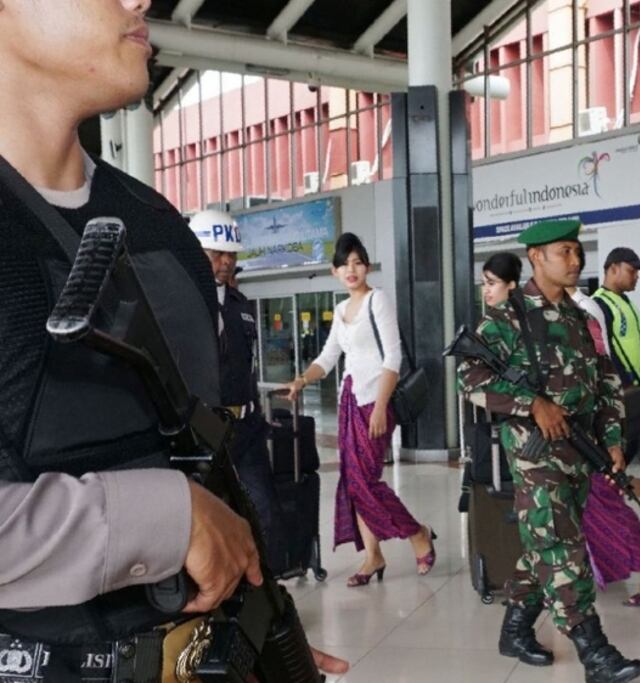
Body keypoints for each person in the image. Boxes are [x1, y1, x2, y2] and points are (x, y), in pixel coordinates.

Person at [0, 0, 345, 677]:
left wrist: (257, 637)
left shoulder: (159, 227)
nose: (142, 1)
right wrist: (166, 518)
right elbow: (183, 505)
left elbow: (198, 458)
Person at [457, 220, 640, 682]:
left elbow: (605, 382)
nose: (576, 260)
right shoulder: (506, 316)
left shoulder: (583, 319)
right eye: (565, 251)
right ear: (537, 257)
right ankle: (595, 651)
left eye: (578, 251)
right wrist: (533, 403)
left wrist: (615, 441)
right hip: (535, 451)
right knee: (561, 545)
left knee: (542, 540)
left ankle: (516, 627)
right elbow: (470, 377)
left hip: (580, 448)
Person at [483, 246, 640, 608]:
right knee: (576, 515)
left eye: (492, 284)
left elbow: (605, 371)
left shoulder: (585, 311)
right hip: (562, 436)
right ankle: (538, 605)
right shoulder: (513, 322)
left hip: (593, 429)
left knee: (604, 501)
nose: (487, 291)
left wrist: (608, 430)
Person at [287, 233, 438, 586]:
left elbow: (393, 357)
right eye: (344, 264)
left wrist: (381, 406)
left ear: (367, 266)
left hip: (375, 401)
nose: (351, 269)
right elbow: (328, 358)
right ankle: (373, 556)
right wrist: (301, 380)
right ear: (335, 271)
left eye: (357, 262)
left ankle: (418, 534)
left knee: (365, 481)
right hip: (350, 402)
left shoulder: (377, 300)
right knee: (353, 484)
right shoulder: (341, 310)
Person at [189, 209, 287, 575]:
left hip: (245, 430)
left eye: (231, 254)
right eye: (218, 253)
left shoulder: (239, 305)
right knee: (212, 520)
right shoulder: (185, 302)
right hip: (206, 433)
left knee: (264, 513)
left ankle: (271, 596)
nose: (227, 261)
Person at [593, 247, 640, 387]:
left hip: (636, 385)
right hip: (619, 389)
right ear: (614, 269)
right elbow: (605, 352)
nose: (637, 276)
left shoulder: (627, 303)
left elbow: (636, 347)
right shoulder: (599, 304)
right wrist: (624, 385)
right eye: (631, 271)